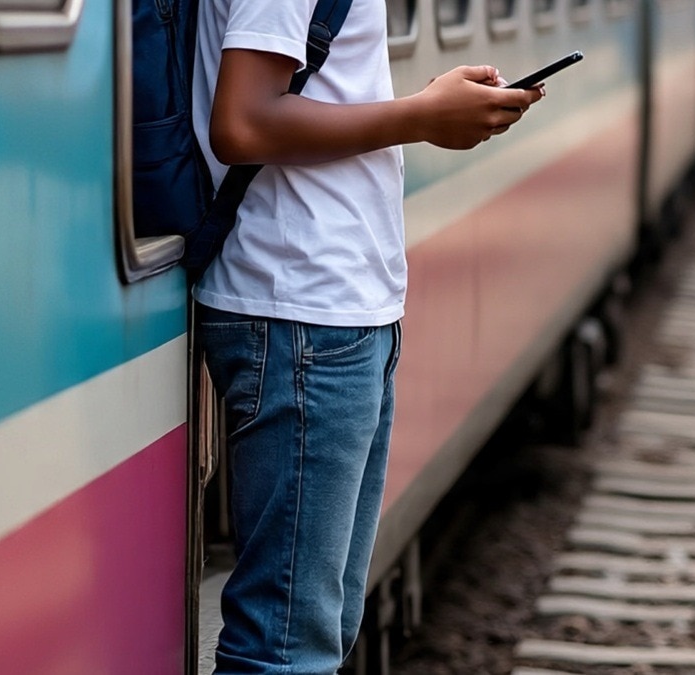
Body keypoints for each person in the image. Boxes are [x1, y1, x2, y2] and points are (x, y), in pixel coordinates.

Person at [190, 0, 543, 672]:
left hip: (335, 309)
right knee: (287, 646)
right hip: (301, 307)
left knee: (317, 629)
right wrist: (424, 116)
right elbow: (241, 121)